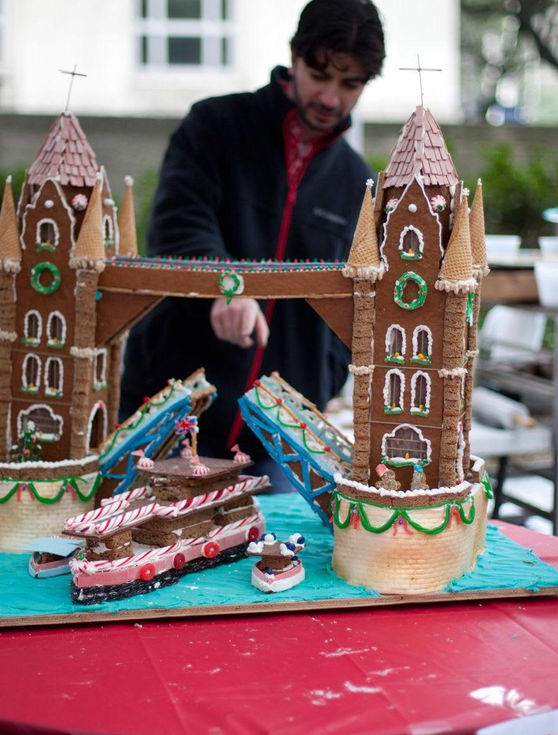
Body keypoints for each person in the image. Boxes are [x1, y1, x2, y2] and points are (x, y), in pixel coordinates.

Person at [120, 0, 385, 484]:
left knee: (284, 535)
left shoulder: (356, 182)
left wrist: (324, 381)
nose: (330, 97)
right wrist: (226, 286)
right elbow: (178, 222)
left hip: (281, 439)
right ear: (294, 56)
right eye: (320, 75)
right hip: (173, 411)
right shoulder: (214, 125)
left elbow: (355, 298)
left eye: (350, 84)